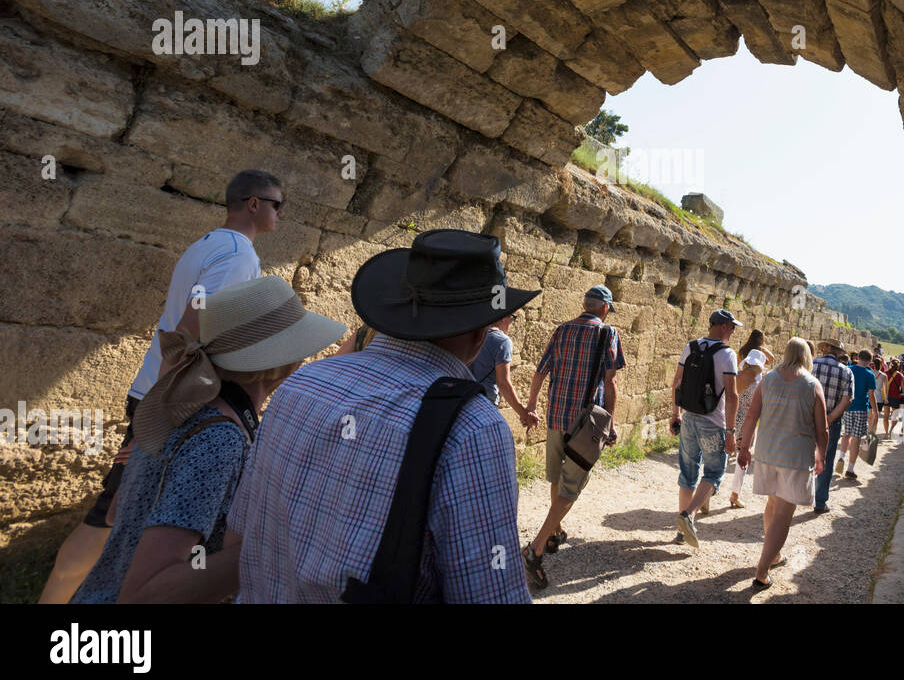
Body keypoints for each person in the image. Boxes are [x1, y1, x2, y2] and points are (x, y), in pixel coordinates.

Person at [229, 229, 540, 603]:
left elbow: (242, 530)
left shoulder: (302, 384)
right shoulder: (472, 428)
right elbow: (489, 594)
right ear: (480, 334)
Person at [40, 169, 282, 604]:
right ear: (254, 204)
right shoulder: (239, 254)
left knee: (120, 514)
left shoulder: (207, 244)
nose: (280, 214)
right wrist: (163, 420)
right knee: (110, 521)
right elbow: (192, 332)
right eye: (277, 205)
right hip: (175, 401)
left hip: (161, 393)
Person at [70, 277, 343, 603]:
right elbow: (144, 595)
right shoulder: (220, 439)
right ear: (282, 363)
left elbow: (118, 514)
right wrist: (268, 545)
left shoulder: (175, 406)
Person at [521, 285, 625, 589]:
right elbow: (612, 381)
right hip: (585, 425)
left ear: (585, 305)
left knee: (556, 477)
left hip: (556, 417)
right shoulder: (608, 334)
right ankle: (535, 549)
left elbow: (540, 371)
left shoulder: (562, 330)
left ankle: (555, 532)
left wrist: (531, 406)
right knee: (570, 487)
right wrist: (611, 423)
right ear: (604, 308)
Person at [737, 338, 828, 590]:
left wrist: (745, 448)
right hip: (795, 458)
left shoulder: (769, 379)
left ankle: (773, 555)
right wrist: (821, 454)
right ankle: (762, 569)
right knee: (784, 515)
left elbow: (752, 415)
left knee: (773, 505)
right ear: (806, 356)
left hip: (767, 453)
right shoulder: (812, 385)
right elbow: (823, 428)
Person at [670, 310, 741, 547]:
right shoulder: (727, 355)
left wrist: (675, 414)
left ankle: (681, 532)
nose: (733, 331)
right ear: (722, 326)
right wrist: (730, 433)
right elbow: (731, 395)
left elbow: (677, 383)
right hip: (713, 423)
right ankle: (688, 515)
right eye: (732, 327)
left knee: (687, 473)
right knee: (713, 473)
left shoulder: (690, 347)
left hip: (689, 418)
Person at [727, 329, 774, 509]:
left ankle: (709, 490)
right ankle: (735, 494)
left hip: (733, 418)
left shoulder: (737, 378)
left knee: (723, 453)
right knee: (742, 458)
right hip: (748, 423)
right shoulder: (761, 382)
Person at [811, 341, 853, 513]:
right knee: (826, 459)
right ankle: (820, 502)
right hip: (831, 421)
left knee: (801, 454)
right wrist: (830, 417)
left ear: (826, 349)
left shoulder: (812, 363)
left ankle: (796, 493)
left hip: (808, 417)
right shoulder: (846, 371)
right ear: (838, 353)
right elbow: (847, 399)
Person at [467, 311, 531, 425]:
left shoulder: (472, 334)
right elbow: (504, 384)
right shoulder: (502, 341)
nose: (512, 322)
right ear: (503, 317)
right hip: (486, 405)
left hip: (464, 401)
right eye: (513, 317)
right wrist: (524, 414)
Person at [835, 351, 878, 478]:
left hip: (847, 406)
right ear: (870, 361)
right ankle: (850, 469)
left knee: (846, 435)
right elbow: (871, 395)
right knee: (856, 438)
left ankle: (841, 458)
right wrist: (875, 411)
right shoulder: (870, 375)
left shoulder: (848, 369)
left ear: (858, 358)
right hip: (860, 408)